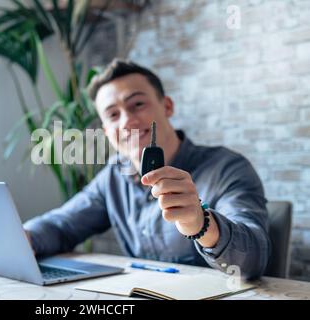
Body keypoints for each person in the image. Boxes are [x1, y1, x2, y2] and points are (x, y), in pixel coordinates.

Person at [24, 59, 270, 279]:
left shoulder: (227, 168)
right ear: (106, 131)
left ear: (168, 106)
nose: (127, 121)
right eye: (112, 115)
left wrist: (201, 224)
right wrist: (25, 237)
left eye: (138, 104)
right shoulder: (113, 176)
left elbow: (253, 260)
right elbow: (62, 225)